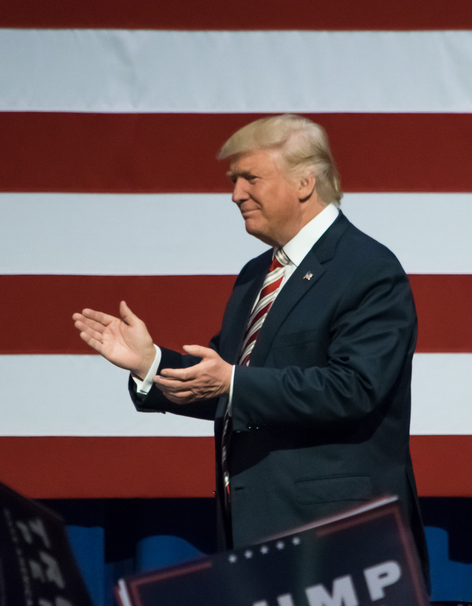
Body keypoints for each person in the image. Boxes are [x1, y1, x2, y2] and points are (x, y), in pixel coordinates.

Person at [73, 114, 430, 587]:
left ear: (305, 182)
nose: (236, 193)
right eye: (234, 180)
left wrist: (233, 382)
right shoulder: (254, 276)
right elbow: (223, 380)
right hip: (258, 535)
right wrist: (150, 363)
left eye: (251, 178)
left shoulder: (368, 270)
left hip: (338, 545)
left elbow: (354, 388)